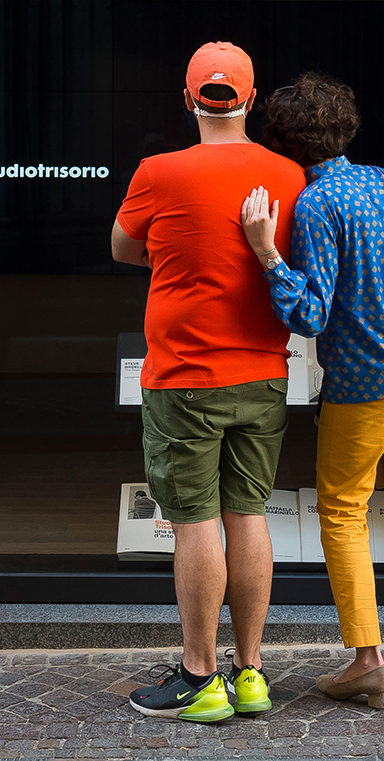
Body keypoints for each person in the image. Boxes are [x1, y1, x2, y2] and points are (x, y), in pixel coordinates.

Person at [239, 72, 384, 710]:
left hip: (370, 378)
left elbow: (310, 314)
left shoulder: (315, 204)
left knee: (341, 508)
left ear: (282, 144)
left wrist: (266, 255)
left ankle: (367, 662)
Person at [111, 42, 306, 723]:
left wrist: (176, 253)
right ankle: (250, 674)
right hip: (263, 373)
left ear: (189, 99)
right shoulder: (289, 174)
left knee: (194, 522)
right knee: (248, 515)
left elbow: (122, 247)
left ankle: (199, 677)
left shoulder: (158, 172)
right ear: (249, 100)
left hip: (184, 377)